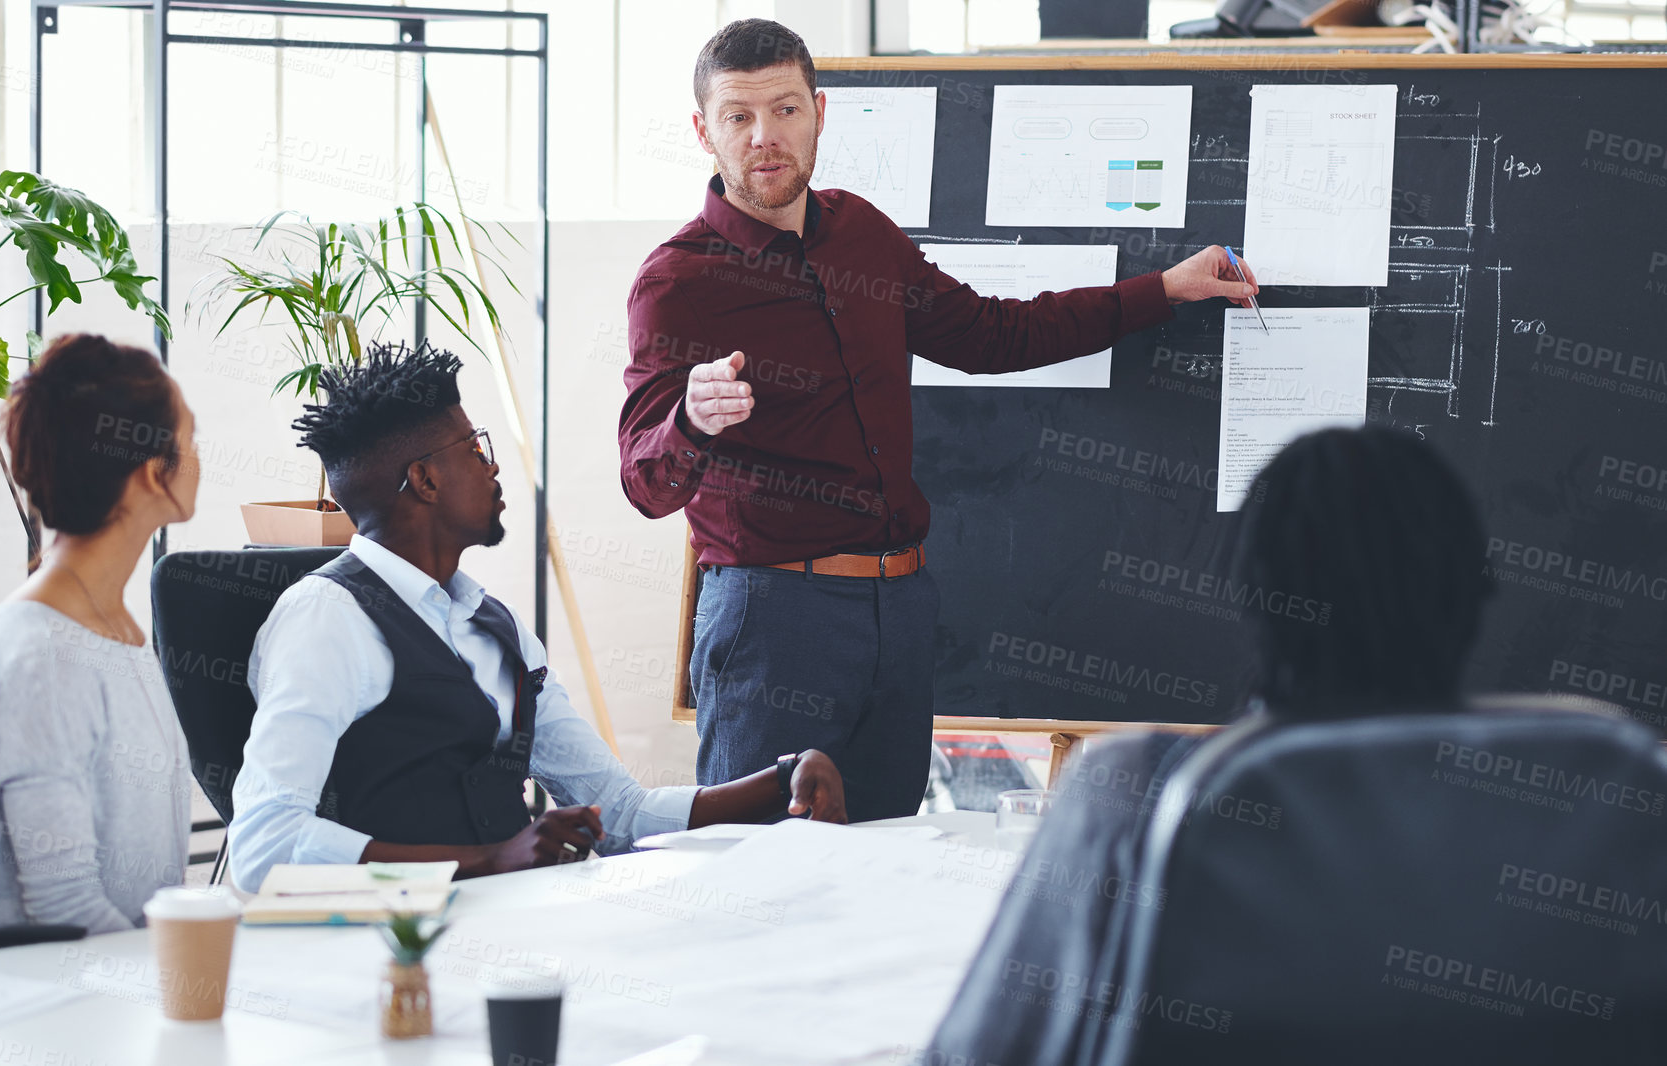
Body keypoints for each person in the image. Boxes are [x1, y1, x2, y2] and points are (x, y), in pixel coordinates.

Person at [618, 18, 1263, 821]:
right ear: (703, 130)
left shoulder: (861, 233)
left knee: (887, 865)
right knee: (760, 877)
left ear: (820, 111)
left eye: (784, 110)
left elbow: (994, 335)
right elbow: (643, 482)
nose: (764, 137)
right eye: (738, 117)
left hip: (902, 605)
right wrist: (690, 419)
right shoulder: (677, 281)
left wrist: (1160, 291)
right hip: (774, 618)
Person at [925, 425, 1496, 1064]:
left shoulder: (1141, 787)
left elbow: (982, 1051)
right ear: (1476, 599)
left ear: (1253, 599)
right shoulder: (1554, 811)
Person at [228, 341, 847, 893]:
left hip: (518, 930)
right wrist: (489, 861)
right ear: (424, 480)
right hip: (392, 958)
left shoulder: (492, 625)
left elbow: (618, 813)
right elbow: (265, 846)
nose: (493, 466)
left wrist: (779, 781)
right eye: (474, 449)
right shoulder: (325, 620)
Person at [0, 334, 199, 933]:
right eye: (191, 440)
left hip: (119, 993)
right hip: (50, 1009)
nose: (198, 458)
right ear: (148, 475)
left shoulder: (114, 628)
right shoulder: (43, 660)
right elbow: (63, 909)